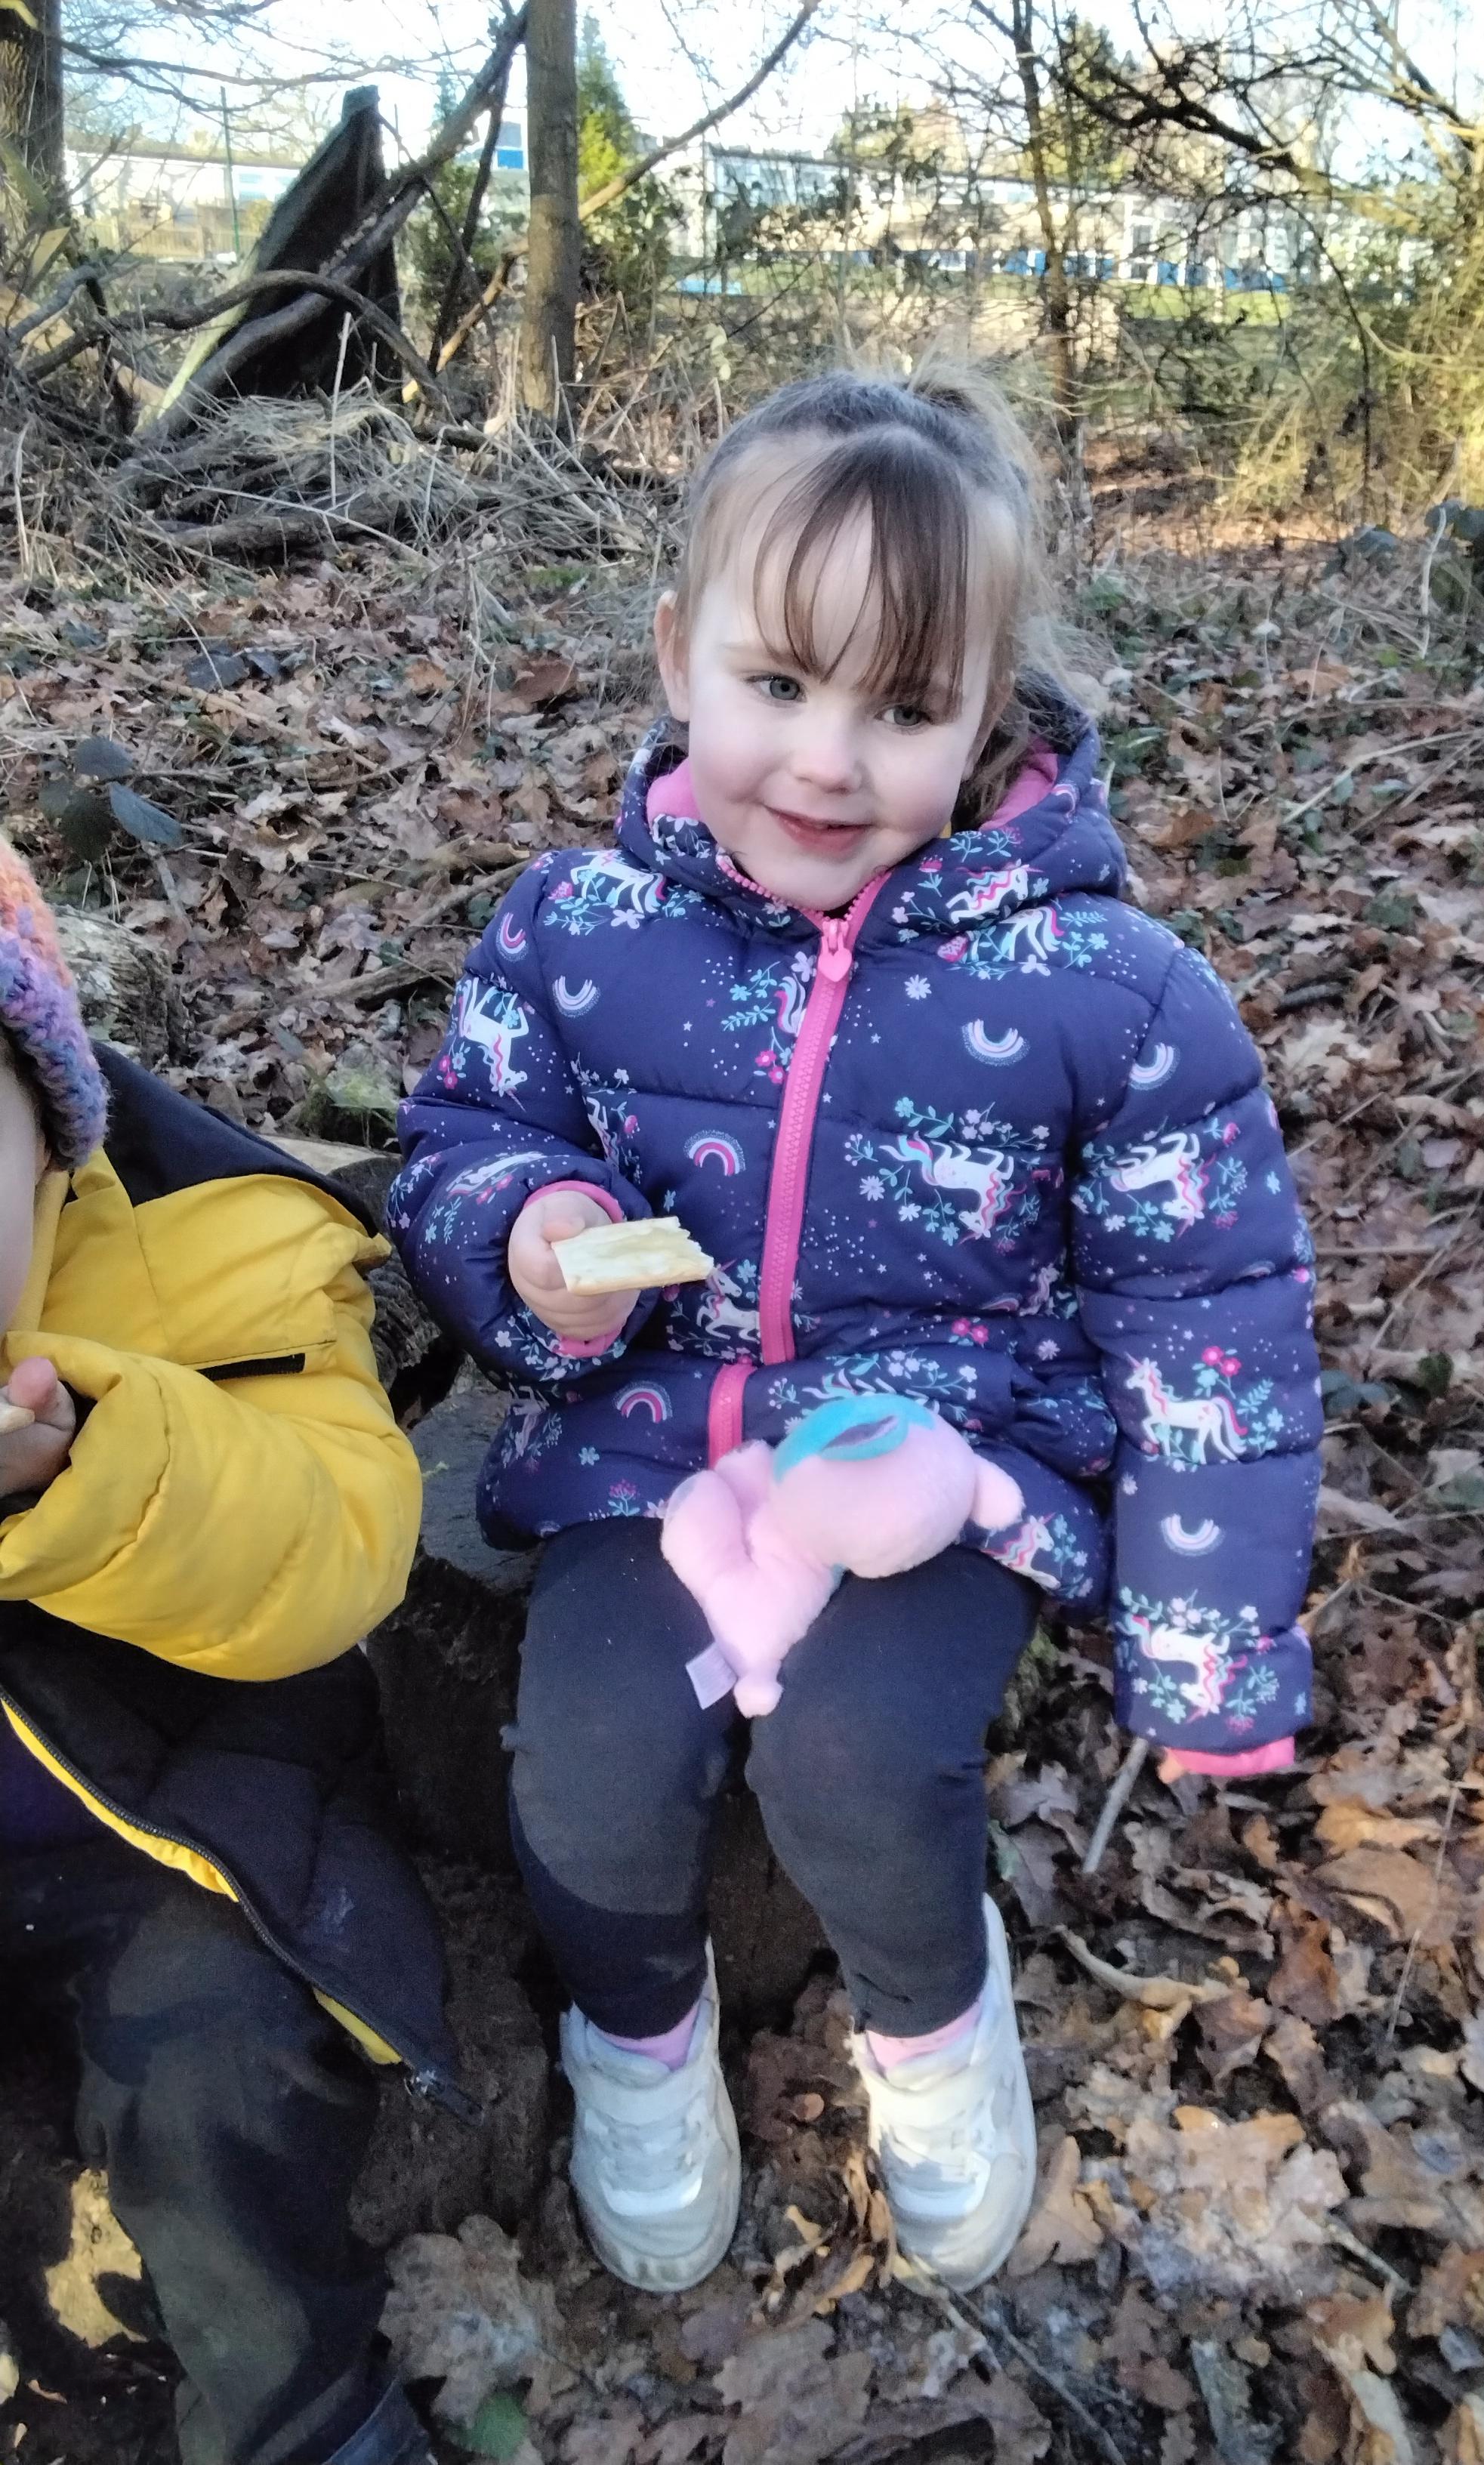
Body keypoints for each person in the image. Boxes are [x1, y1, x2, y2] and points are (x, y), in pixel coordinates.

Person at [390, 367, 1320, 2297]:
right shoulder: (577, 933)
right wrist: (525, 1231)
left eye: (902, 708)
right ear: (682, 657)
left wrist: (1209, 1644)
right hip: (654, 1446)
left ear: (986, 715)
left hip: (934, 1467)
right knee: (585, 1767)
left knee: (858, 1765)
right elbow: (469, 1138)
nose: (827, 761)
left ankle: (934, 2029)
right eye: (779, 684)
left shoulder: (1102, 990)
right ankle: (637, 2042)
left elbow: (1210, 1315)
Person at [0, 837, 455, 2465]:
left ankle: (309, 2422)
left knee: (221, 2078)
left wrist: (86, 1474)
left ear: (51, 1144)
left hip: (161, 1819)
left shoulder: (225, 1250)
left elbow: (336, 1551)